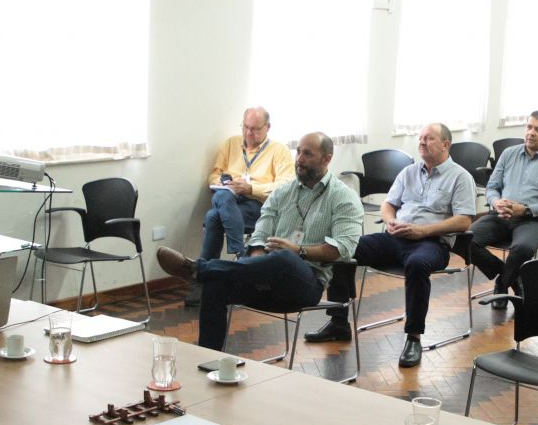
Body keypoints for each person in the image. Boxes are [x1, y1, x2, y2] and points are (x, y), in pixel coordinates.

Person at [156, 133, 363, 351]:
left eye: (307, 154)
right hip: (263, 279)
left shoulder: (343, 197)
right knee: (214, 285)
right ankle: (209, 358)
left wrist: (298, 251)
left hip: (305, 284)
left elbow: (342, 249)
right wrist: (256, 261)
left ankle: (199, 269)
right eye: (298, 151)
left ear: (326, 159)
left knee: (284, 257)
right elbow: (260, 233)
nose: (299, 159)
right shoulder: (283, 193)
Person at [305, 124, 476, 368]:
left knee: (417, 265)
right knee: (343, 248)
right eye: (420, 138)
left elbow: (463, 220)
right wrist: (391, 221)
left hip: (431, 243)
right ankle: (338, 323)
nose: (422, 143)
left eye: (429, 139)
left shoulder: (460, 177)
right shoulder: (409, 172)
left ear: (446, 144)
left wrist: (422, 231)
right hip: (395, 237)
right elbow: (388, 205)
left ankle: (413, 337)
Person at [188, 107, 295, 306]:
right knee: (222, 198)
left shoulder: (279, 150)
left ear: (268, 127)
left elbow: (286, 186)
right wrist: (224, 182)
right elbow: (214, 173)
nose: (248, 133)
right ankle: (240, 253)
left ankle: (203, 281)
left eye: (255, 129)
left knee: (213, 217)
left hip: (259, 206)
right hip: (230, 200)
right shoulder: (230, 144)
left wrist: (251, 188)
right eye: (245, 127)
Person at [468, 111, 538, 296]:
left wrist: (526, 210)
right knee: (466, 240)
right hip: (501, 216)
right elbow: (492, 188)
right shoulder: (509, 154)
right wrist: (496, 201)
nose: (531, 133)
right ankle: (510, 277)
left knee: (523, 248)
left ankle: (501, 285)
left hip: (534, 220)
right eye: (529, 127)